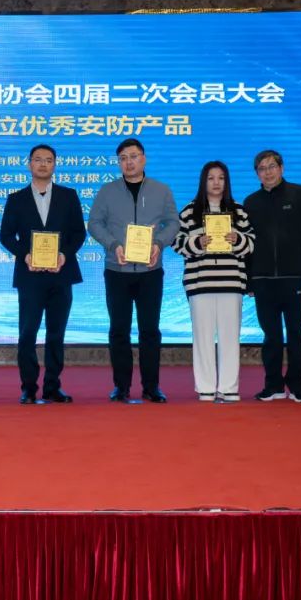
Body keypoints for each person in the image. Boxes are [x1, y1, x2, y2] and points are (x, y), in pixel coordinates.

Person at [87, 137, 180, 403]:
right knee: (119, 330)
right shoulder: (107, 191)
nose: (129, 162)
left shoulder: (161, 190)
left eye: (134, 156)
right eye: (123, 158)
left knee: (150, 330)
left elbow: (173, 222)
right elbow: (94, 224)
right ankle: (122, 387)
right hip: (117, 270)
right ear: (119, 163)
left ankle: (151, 387)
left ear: (144, 159)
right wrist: (113, 244)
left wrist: (159, 244)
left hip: (151, 271)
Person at [0, 144, 87, 404]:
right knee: (27, 333)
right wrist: (25, 255)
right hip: (30, 276)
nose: (43, 164)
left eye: (48, 160)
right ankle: (28, 387)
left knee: (56, 333)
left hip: (61, 274)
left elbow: (78, 234)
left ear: (55, 165)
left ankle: (52, 386)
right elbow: (6, 236)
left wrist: (64, 255)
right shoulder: (16, 199)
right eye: (38, 160)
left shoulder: (69, 196)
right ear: (29, 164)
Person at [242, 149, 301, 404]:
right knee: (271, 336)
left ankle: (298, 387)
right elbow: (246, 245)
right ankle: (273, 386)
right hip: (262, 280)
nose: (267, 172)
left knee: (296, 333)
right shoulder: (250, 202)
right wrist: (248, 280)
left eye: (271, 166)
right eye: (262, 168)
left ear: (282, 168)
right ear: (257, 174)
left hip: (294, 277)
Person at [172, 162, 255, 403]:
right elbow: (176, 242)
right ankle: (206, 387)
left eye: (221, 178)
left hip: (232, 282)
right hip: (200, 283)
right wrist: (197, 243)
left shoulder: (239, 211)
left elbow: (251, 243)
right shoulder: (189, 211)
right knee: (203, 337)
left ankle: (229, 387)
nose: (216, 183)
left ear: (227, 181)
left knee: (230, 337)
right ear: (203, 181)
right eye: (211, 178)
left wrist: (238, 240)